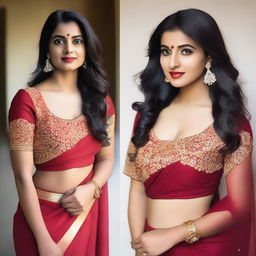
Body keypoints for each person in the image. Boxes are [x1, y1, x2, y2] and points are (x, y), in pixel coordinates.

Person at [123, 8, 255, 256]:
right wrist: (139, 246)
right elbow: (137, 188)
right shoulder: (147, 115)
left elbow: (240, 204)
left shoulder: (229, 121)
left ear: (208, 57)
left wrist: (174, 235)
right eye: (165, 51)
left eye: (186, 51)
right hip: (151, 245)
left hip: (203, 246)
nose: (172, 62)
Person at [9, 10, 115, 256]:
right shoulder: (27, 101)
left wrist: (92, 188)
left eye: (77, 41)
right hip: (40, 219)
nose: (69, 49)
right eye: (59, 41)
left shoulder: (102, 103)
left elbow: (107, 158)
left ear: (87, 49)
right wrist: (43, 240)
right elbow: (22, 176)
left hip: (84, 212)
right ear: (47, 48)